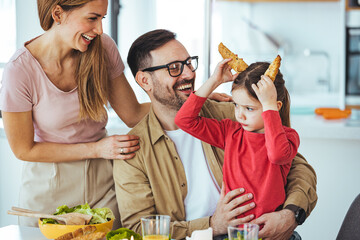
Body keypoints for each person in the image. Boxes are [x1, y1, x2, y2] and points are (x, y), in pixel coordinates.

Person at [113, 29, 317, 240]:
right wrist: (212, 225)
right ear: (145, 80)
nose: (189, 74)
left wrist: (291, 214)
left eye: (189, 63)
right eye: (174, 68)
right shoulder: (133, 152)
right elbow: (138, 230)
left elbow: (296, 166)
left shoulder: (232, 115)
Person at [0, 0, 150, 228]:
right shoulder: (19, 71)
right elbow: (23, 149)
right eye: (92, 18)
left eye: (102, 19)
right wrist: (97, 149)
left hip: (104, 188)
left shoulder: (103, 48)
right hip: (47, 194)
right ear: (58, 13)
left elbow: (133, 113)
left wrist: (194, 100)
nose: (99, 30)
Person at [175, 59, 300, 227]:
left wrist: (269, 105)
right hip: (232, 233)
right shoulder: (230, 132)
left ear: (275, 106)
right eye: (236, 105)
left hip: (271, 234)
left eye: (249, 108)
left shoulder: (288, 137)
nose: (240, 115)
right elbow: (184, 120)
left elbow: (277, 155)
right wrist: (214, 81)